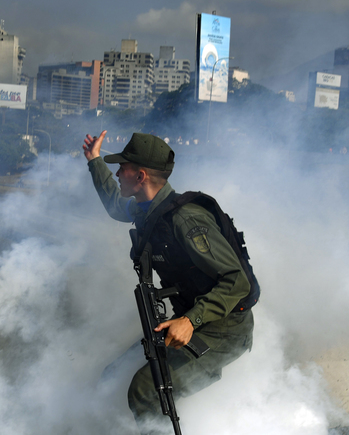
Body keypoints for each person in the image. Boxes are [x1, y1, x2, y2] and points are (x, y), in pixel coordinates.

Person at [83, 131, 255, 434]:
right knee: (113, 376)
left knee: (145, 390)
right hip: (189, 322)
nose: (118, 172)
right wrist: (94, 161)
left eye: (122, 168)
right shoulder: (148, 211)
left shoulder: (186, 220)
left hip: (224, 329)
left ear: (141, 175)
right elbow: (114, 205)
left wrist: (190, 320)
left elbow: (236, 282)